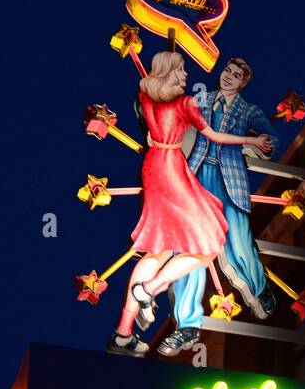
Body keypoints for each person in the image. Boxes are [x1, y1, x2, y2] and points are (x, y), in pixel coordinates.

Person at [108, 51, 273, 357]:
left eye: (236, 75)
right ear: (169, 71)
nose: (187, 76)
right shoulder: (188, 103)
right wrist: (250, 142)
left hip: (155, 167)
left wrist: (260, 144)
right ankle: (150, 291)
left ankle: (123, 333)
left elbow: (149, 130)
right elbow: (214, 136)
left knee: (157, 251)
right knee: (207, 244)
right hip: (175, 170)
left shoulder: (145, 97)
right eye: (181, 69)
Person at [158, 56, 279, 357]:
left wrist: (258, 143)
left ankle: (258, 289)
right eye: (227, 71)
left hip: (229, 183)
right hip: (197, 177)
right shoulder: (201, 101)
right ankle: (187, 323)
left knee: (238, 244)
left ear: (242, 83)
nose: (228, 77)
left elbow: (271, 140)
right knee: (190, 252)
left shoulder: (248, 111)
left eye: (236, 75)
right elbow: (174, 120)